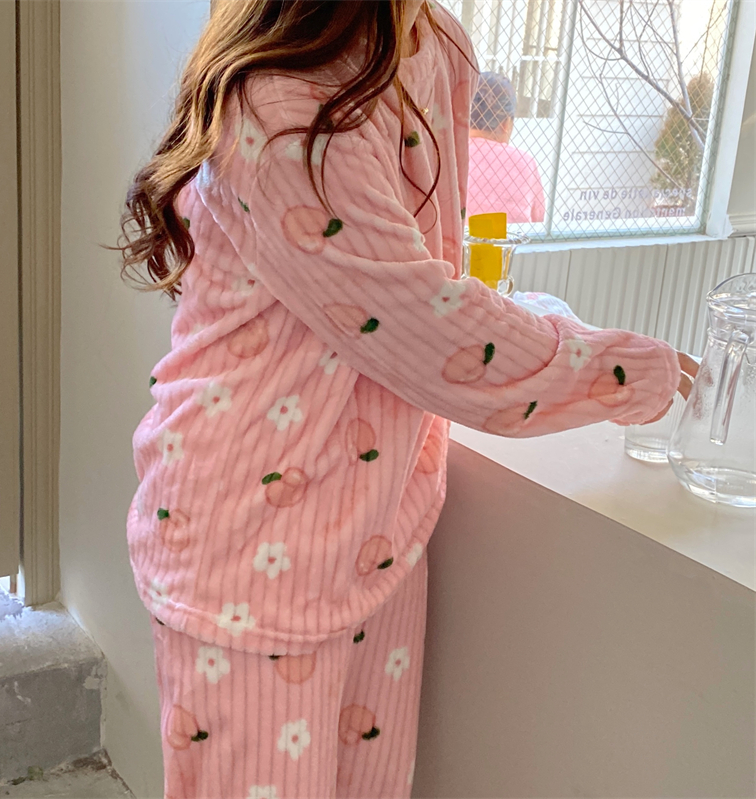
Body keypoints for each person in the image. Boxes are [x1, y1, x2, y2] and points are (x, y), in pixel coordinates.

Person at [118, 2, 697, 797]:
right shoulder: (281, 101)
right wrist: (630, 373)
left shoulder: (432, 39)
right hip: (247, 557)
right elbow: (424, 322)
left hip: (377, 530)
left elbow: (430, 270)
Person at [467, 72, 546, 223]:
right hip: (509, 238)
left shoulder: (451, 157)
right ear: (506, 124)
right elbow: (538, 219)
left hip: (460, 238)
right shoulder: (525, 163)